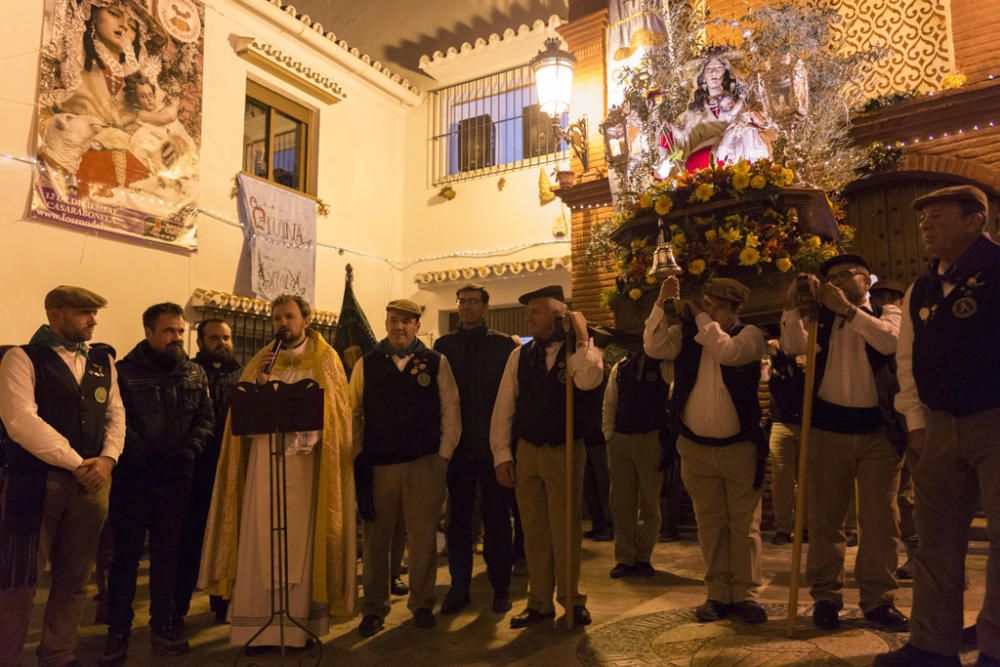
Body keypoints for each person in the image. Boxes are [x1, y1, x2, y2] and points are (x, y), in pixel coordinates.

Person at [876, 185, 1000, 667]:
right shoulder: (919, 290)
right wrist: (916, 422)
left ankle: (995, 645)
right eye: (923, 219)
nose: (926, 226)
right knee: (936, 541)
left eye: (937, 217)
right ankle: (931, 644)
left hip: (995, 419)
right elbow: (906, 361)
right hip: (939, 426)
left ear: (975, 221)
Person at [199, 295, 356, 649]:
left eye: (289, 316)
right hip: (263, 464)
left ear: (306, 319)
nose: (282, 323)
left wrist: (307, 436)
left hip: (307, 466)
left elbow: (336, 415)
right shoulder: (261, 360)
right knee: (259, 533)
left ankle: (302, 627)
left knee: (302, 542)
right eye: (276, 318)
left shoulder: (326, 360)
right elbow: (242, 414)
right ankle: (258, 628)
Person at [781, 254, 909, 633]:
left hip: (878, 432)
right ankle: (825, 596)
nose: (835, 281)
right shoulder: (819, 320)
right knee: (826, 520)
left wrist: (848, 311)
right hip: (827, 430)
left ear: (865, 279)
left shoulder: (888, 312)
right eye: (830, 277)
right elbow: (791, 345)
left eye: (844, 274)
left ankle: (878, 599)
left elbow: (890, 343)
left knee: (880, 520)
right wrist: (790, 306)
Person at [0, 286, 124, 667]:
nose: (93, 320)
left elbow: (115, 416)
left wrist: (106, 460)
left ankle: (58, 654)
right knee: (18, 582)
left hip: (93, 483)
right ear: (55, 314)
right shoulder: (22, 358)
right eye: (84, 312)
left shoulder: (103, 360)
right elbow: (21, 421)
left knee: (75, 578)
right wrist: (78, 463)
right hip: (36, 484)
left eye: (94, 313)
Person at [644, 276, 769, 624]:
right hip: (695, 447)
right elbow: (654, 348)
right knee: (710, 523)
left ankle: (745, 594)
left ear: (735, 310)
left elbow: (726, 352)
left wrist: (700, 315)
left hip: (740, 448)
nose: (709, 309)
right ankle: (717, 593)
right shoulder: (689, 336)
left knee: (744, 526)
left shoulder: (750, 335)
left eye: (717, 305)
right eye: (706, 302)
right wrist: (660, 303)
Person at [97, 303, 213, 665]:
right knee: (126, 558)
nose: (176, 338)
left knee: (168, 557)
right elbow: (117, 420)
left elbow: (206, 419)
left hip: (178, 478)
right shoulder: (125, 373)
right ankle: (118, 631)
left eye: (180, 331)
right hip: (135, 478)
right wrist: (145, 455)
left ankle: (163, 625)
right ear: (148, 332)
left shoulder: (195, 372)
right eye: (168, 331)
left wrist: (187, 452)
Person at [490, 285, 603, 629]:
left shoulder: (581, 350)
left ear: (557, 314)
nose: (529, 318)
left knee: (564, 528)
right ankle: (539, 602)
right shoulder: (519, 356)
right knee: (534, 528)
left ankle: (572, 600)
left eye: (535, 312)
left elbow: (588, 380)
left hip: (564, 448)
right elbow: (504, 407)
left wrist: (581, 338)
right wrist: (502, 454)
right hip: (527, 449)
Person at [351, 299, 461, 637]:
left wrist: (442, 456)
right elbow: (353, 411)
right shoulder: (366, 364)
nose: (398, 326)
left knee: (424, 537)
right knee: (376, 540)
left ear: (416, 326)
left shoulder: (436, 361)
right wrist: (358, 455)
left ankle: (423, 603)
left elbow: (450, 408)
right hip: (380, 464)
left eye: (406, 321)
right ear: (385, 322)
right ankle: (373, 607)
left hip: (424, 463)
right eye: (393, 320)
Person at [433, 284, 517, 615]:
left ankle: (501, 588)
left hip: (493, 448)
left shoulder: (503, 346)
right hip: (458, 450)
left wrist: (506, 449)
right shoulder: (443, 346)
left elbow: (511, 399)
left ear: (485, 307)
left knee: (497, 520)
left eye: (473, 302)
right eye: (462, 302)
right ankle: (459, 588)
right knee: (458, 522)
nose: (466, 307)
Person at [172, 319, 242, 627]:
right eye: (214, 338)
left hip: (230, 470)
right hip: (196, 469)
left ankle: (223, 603)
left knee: (228, 540)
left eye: (226, 337)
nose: (222, 343)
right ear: (200, 342)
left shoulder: (244, 374)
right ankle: (177, 609)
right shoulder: (187, 373)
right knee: (189, 541)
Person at [602, 348, 670, 579]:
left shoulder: (664, 364)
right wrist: (609, 434)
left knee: (650, 502)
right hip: (621, 439)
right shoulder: (620, 367)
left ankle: (643, 557)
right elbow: (610, 402)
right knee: (621, 502)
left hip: (651, 438)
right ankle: (624, 558)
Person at [868, 279, 918, 580]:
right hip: (893, 423)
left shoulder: (899, 325)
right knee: (902, 495)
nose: (881, 303)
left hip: (911, 422)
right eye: (877, 298)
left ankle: (923, 555)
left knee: (912, 495)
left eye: (887, 299)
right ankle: (917, 554)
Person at [657, 52, 775, 175]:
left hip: (738, 156)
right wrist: (668, 151)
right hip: (708, 161)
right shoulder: (694, 110)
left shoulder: (741, 103)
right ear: (702, 77)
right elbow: (682, 138)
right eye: (709, 69)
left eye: (718, 68)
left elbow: (767, 125)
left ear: (725, 74)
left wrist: (755, 119)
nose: (714, 73)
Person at [764, 338, 806, 546]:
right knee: (781, 480)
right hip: (780, 423)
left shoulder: (806, 355)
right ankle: (783, 527)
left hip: (807, 424)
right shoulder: (774, 362)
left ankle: (804, 526)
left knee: (806, 479)